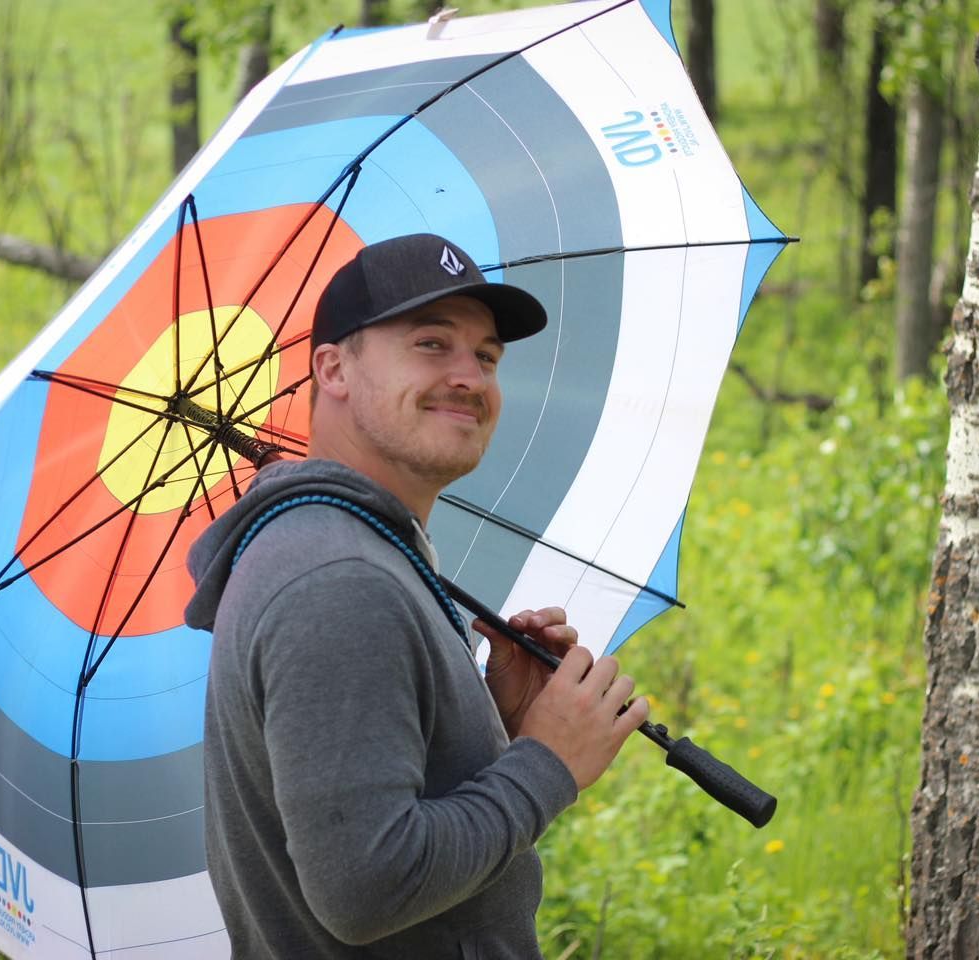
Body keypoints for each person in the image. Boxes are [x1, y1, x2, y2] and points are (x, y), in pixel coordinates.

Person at [184, 233, 649, 958]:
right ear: (333, 368)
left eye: (487, 356)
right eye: (432, 344)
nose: (471, 377)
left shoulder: (350, 548)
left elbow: (372, 792)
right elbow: (366, 891)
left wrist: (498, 722)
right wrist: (546, 762)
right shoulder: (338, 581)